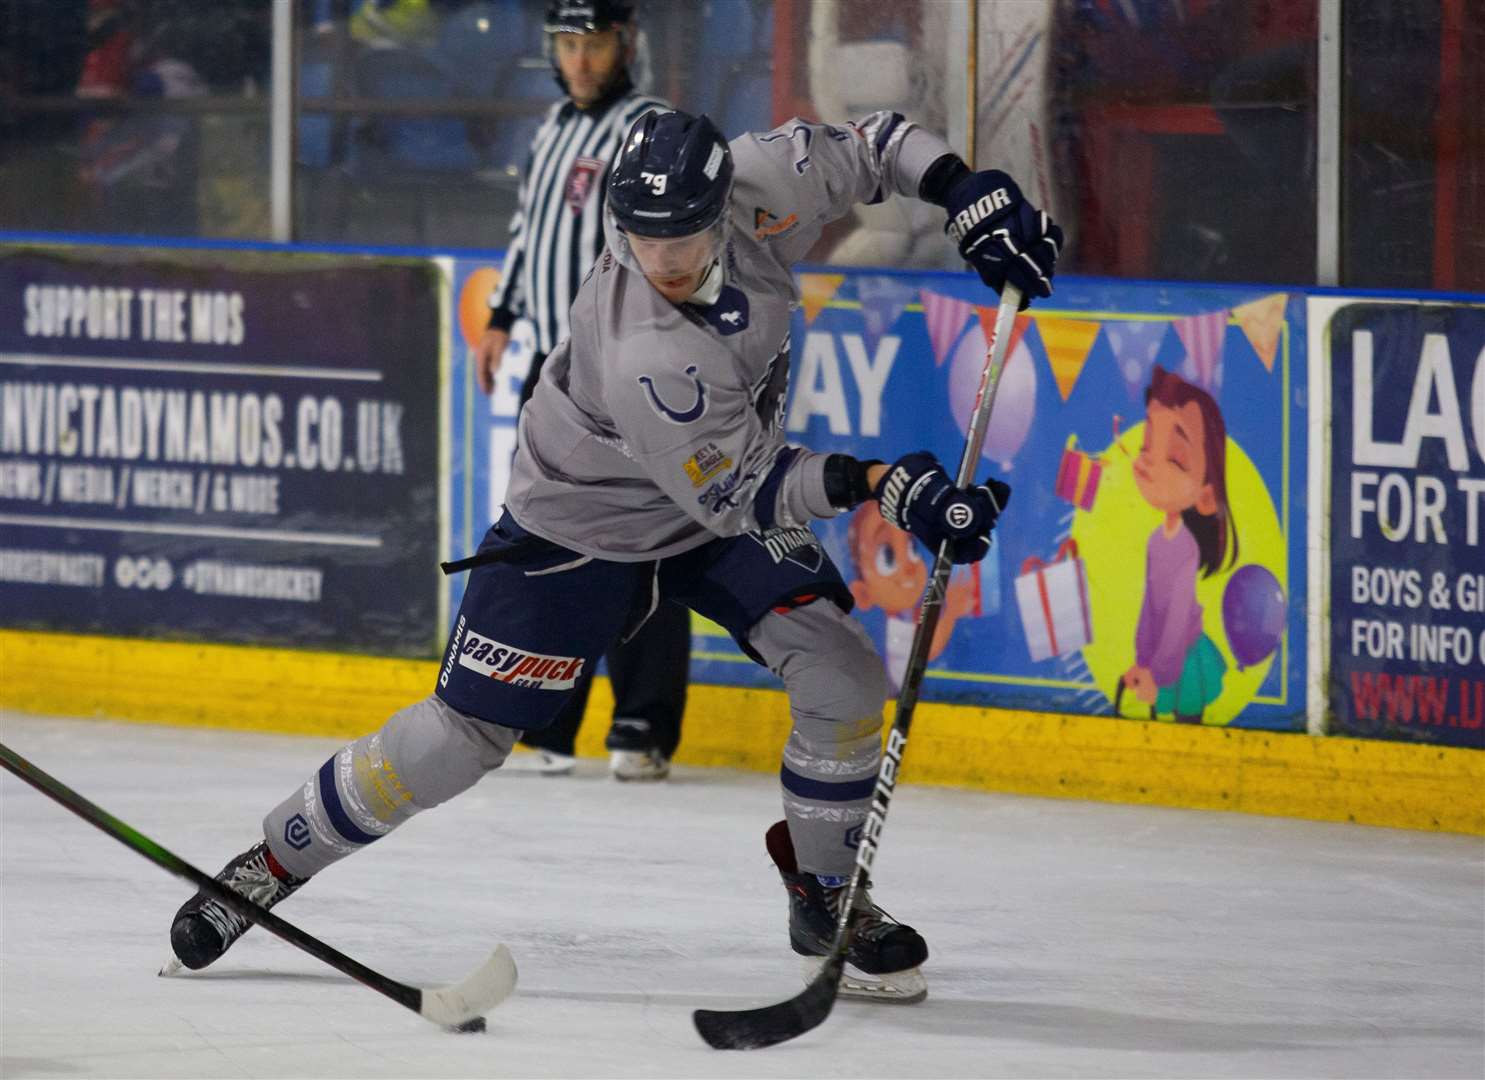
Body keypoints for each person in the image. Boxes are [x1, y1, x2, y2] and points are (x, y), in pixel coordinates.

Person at [166, 105, 1061, 1002]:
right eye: (639, 236)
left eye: (680, 235)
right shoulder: (645, 344)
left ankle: (827, 894)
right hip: (579, 528)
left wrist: (965, 192)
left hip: (702, 520)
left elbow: (872, 144)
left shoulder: (753, 177)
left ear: (721, 204)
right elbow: (742, 490)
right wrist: (885, 486)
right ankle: (267, 866)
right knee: (459, 740)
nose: (661, 260)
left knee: (842, 674)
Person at [474, 0, 688, 781]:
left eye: (594, 42)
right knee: (545, 539)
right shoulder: (551, 128)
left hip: (633, 368)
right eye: (568, 43)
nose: (582, 60)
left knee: (645, 542)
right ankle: (550, 718)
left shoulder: (652, 126)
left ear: (624, 43)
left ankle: (641, 720)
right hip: (554, 370)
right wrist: (501, 313)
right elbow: (526, 227)